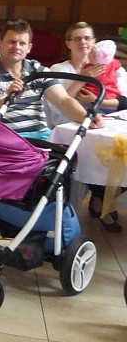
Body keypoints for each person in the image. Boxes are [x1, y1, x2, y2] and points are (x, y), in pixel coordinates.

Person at [0, 19, 103, 141]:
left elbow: (64, 101)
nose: (17, 47)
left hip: (41, 139)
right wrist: (7, 100)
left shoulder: (39, 71)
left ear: (29, 48)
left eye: (22, 43)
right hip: (4, 140)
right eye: (12, 42)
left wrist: (87, 118)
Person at [48, 22, 125, 232]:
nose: (83, 42)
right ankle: (100, 201)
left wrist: (98, 101)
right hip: (70, 128)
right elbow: (60, 102)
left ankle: (100, 200)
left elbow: (124, 100)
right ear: (68, 43)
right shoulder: (59, 69)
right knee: (92, 155)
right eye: (77, 38)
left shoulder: (112, 66)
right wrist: (85, 78)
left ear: (94, 42)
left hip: (107, 125)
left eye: (87, 38)